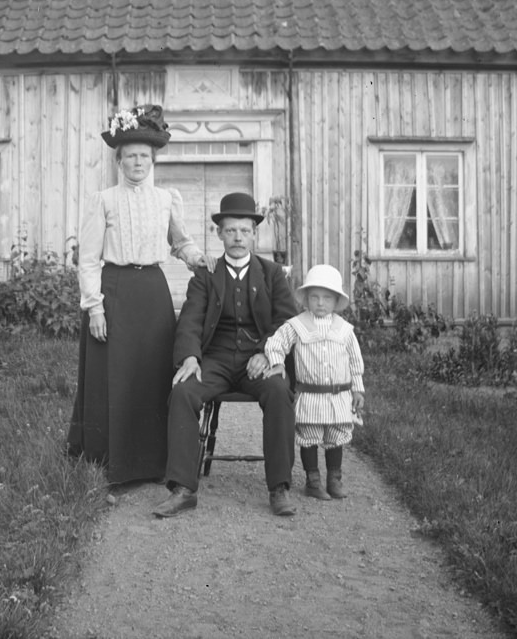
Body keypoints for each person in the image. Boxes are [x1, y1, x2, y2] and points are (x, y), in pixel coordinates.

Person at [67, 104, 211, 485]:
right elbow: (88, 259)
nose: (137, 162)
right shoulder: (104, 200)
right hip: (114, 291)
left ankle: (151, 462)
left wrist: (198, 258)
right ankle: (109, 461)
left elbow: (181, 242)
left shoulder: (166, 199)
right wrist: (94, 307)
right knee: (113, 376)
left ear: (153, 159)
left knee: (151, 374)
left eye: (144, 156)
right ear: (119, 159)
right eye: (130, 155)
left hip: (152, 292)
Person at [153, 192, 299, 518]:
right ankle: (184, 488)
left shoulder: (272, 273)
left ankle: (279, 487)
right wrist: (190, 357)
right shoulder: (206, 274)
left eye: (244, 231)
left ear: (253, 234)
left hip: (257, 360)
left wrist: (267, 352)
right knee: (183, 391)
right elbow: (190, 320)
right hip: (215, 360)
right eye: (230, 230)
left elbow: (286, 321)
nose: (237, 237)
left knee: (278, 391)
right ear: (219, 233)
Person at [263, 264, 365, 500]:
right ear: (306, 299)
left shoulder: (344, 330)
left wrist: (358, 389)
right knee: (309, 435)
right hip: (310, 395)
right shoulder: (297, 325)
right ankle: (313, 480)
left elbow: (354, 361)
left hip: (338, 396)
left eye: (327, 298)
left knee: (334, 436)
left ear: (336, 300)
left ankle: (334, 479)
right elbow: (275, 343)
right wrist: (277, 363)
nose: (320, 303)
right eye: (314, 297)